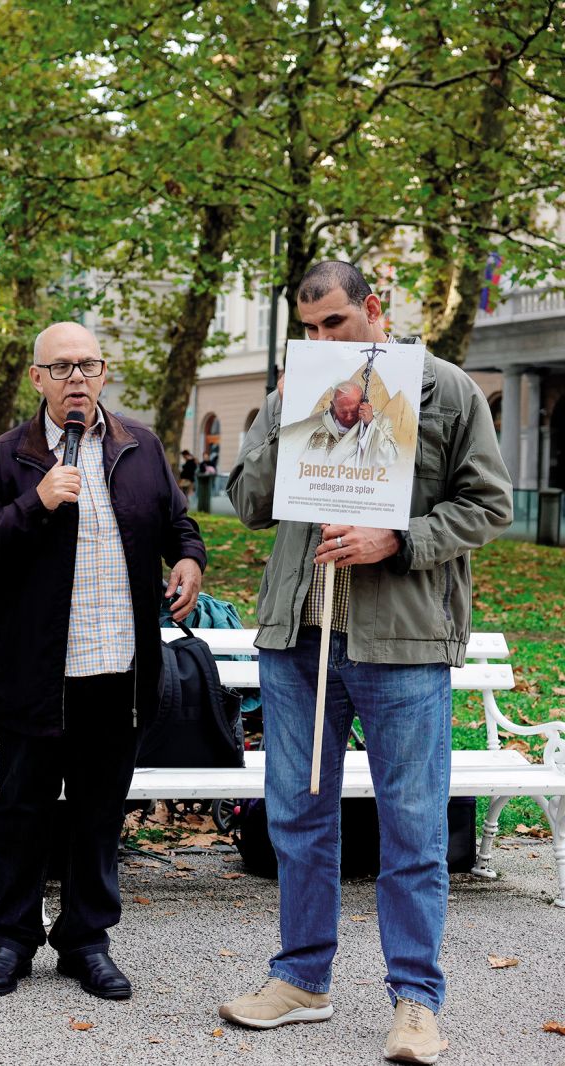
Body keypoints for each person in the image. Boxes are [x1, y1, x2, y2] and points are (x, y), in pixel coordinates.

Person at [219, 261, 511, 1065]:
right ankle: (301, 979)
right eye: (310, 330)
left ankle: (415, 1000)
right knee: (298, 819)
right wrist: (285, 407)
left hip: (402, 644)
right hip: (299, 638)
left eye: (337, 325)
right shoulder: (294, 391)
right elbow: (244, 503)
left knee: (412, 825)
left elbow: (490, 504)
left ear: (373, 311)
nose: (323, 341)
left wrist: (400, 540)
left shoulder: (444, 390)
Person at [0, 322, 206, 1001]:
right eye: (61, 367)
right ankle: (10, 940)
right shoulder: (9, 459)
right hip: (38, 673)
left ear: (103, 375)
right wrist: (34, 504)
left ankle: (86, 942)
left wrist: (188, 558)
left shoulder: (140, 448)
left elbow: (178, 523)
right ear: (36, 378)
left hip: (118, 672)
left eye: (87, 366)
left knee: (99, 814)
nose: (76, 379)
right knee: (25, 812)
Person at [282, 379, 400, 470]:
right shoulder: (318, 422)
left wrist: (370, 425)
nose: (348, 417)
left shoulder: (381, 421)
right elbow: (289, 445)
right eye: (343, 412)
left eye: (354, 412)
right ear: (333, 406)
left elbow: (388, 458)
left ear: (363, 403)